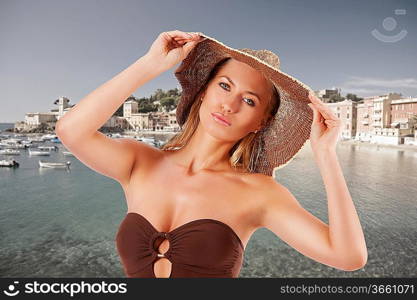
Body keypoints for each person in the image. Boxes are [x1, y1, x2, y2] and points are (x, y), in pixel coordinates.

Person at [55, 30, 368, 278]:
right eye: (225, 86)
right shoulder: (141, 162)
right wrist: (150, 65)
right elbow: (71, 130)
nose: (229, 105)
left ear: (262, 122)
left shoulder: (260, 194)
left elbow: (348, 256)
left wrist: (326, 155)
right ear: (204, 91)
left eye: (249, 101)